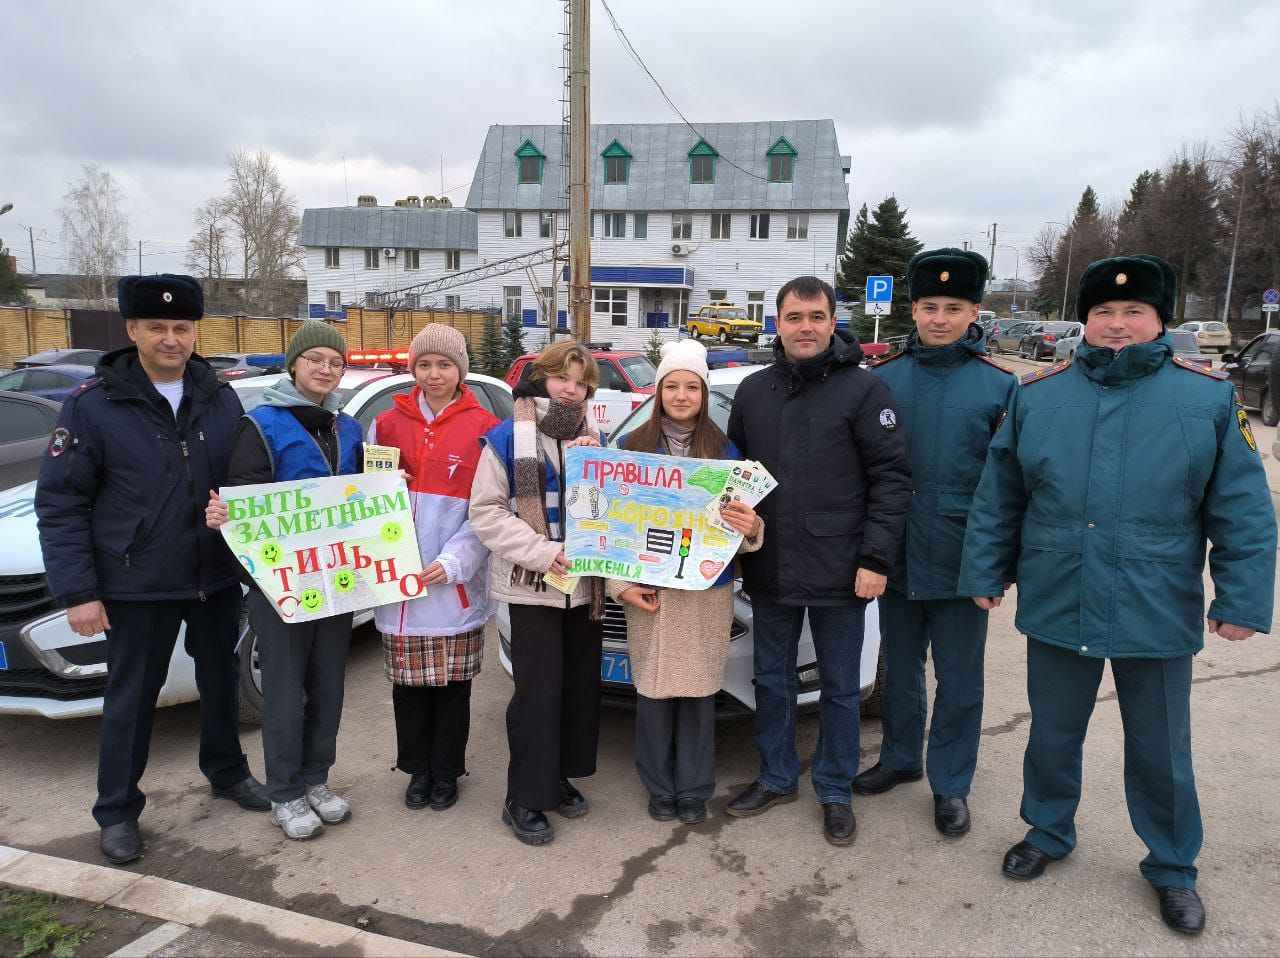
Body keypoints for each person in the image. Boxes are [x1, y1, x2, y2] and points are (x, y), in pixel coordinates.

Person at [958, 254, 1276, 935]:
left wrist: (1242, 598)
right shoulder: (1039, 396)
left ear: (1160, 321)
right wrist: (985, 570)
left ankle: (1171, 865)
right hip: (1057, 593)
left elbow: (1244, 509)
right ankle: (1046, 830)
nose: (1117, 324)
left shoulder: (1207, 400)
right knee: (1052, 733)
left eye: (1134, 312)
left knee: (1161, 747)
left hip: (1154, 599)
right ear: (1085, 320)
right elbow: (1000, 496)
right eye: (1103, 312)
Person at [35, 274, 268, 866]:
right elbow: (62, 503)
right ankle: (116, 810)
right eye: (158, 327)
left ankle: (226, 772)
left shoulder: (220, 394)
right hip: (136, 582)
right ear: (132, 329)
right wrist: (79, 593)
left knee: (220, 684)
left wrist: (234, 504)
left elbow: (242, 473)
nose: (172, 339)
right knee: (132, 699)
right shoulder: (92, 404)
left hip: (213, 575)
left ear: (196, 332)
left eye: (182, 328)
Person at [725, 275, 912, 845]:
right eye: (793, 317)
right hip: (772, 567)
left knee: (837, 686)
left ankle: (834, 788)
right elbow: (734, 481)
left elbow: (892, 479)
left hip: (843, 570)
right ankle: (778, 776)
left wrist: (876, 558)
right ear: (776, 324)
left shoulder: (864, 391)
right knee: (773, 681)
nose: (804, 327)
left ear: (833, 323)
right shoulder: (755, 392)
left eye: (815, 317)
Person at [856, 249, 1017, 837]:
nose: (940, 318)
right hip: (895, 554)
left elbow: (1012, 487)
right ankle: (901, 759)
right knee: (898, 669)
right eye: (930, 306)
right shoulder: (882, 380)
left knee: (959, 677)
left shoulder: (1002, 387)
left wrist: (997, 565)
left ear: (975, 311)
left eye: (954, 307)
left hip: (962, 559)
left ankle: (951, 783)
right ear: (913, 309)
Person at [205, 320, 363, 840]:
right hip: (282, 582)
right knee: (283, 686)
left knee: (327, 686)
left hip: (338, 578)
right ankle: (286, 791)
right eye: (315, 358)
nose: (325, 368)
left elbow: (362, 496)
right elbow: (243, 501)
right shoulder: (262, 425)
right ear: (294, 363)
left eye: (335, 362)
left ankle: (317, 778)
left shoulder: (349, 427)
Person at [610, 340, 763, 825]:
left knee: (698, 692)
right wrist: (620, 587)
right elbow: (611, 530)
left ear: (702, 392)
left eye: (690, 386)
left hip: (705, 590)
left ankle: (694, 788)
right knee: (653, 693)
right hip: (650, 591)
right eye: (671, 386)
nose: (680, 395)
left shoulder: (725, 452)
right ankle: (658, 786)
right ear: (657, 393)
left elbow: (739, 527)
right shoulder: (631, 451)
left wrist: (752, 529)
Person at [469, 340, 605, 846]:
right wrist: (543, 553)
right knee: (538, 695)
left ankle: (559, 778)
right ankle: (523, 796)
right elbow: (486, 513)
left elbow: (611, 507)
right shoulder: (506, 437)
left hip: (583, 588)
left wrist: (604, 472)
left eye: (581, 382)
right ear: (541, 378)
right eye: (563, 378)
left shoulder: (595, 437)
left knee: (576, 690)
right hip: (534, 587)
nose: (571, 390)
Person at [366, 325, 498, 812]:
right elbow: (364, 499)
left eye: (445, 365)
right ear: (413, 369)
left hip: (451, 584)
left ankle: (447, 771)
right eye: (425, 365)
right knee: (407, 688)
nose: (434, 374)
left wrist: (454, 561)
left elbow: (487, 509)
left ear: (460, 370)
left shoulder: (484, 426)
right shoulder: (385, 424)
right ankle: (416, 770)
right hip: (401, 584)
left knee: (452, 688)